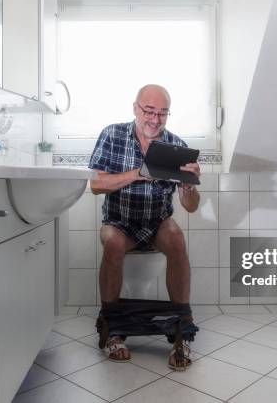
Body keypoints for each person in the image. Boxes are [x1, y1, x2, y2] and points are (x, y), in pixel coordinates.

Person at [88, 84, 201, 368]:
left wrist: (188, 186)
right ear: (135, 108)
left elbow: (191, 206)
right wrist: (138, 174)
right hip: (119, 221)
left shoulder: (177, 146)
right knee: (113, 242)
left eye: (162, 114)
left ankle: (182, 327)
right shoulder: (112, 134)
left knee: (176, 237)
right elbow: (96, 184)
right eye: (149, 111)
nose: (155, 119)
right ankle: (114, 328)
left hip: (157, 221)